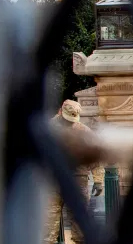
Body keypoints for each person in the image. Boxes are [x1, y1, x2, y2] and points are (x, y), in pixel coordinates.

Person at [44, 100, 104, 244]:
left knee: (80, 227)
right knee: (48, 228)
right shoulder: (47, 129)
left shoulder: (83, 131)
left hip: (77, 180)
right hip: (54, 180)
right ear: (60, 111)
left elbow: (95, 156)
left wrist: (98, 180)